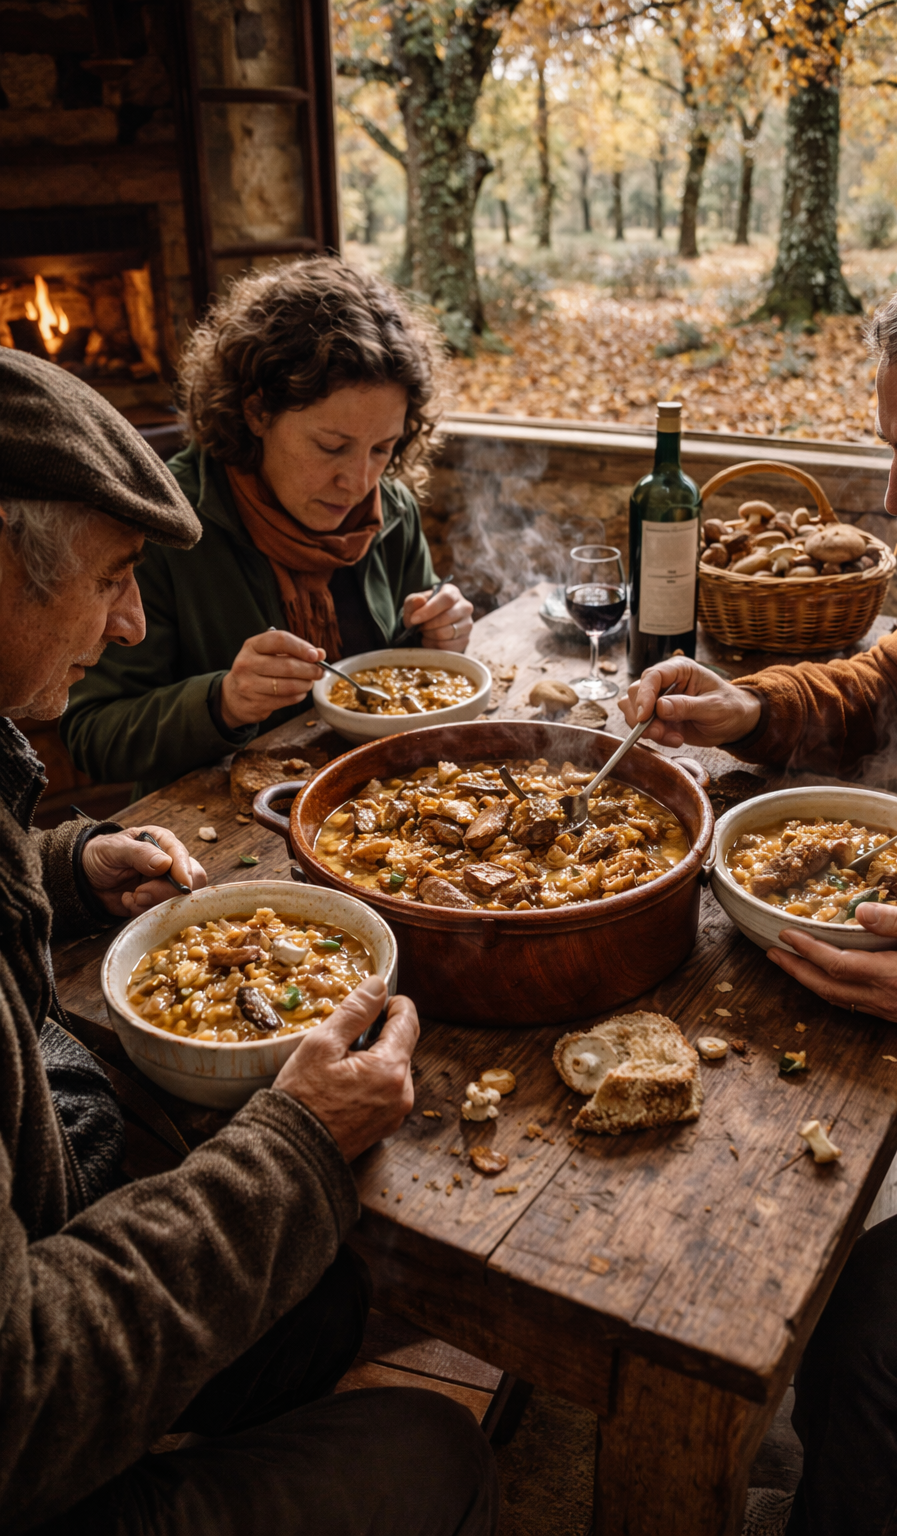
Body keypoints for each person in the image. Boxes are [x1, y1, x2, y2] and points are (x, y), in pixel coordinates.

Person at [0, 348, 498, 1535]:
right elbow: (20, 1404)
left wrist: (62, 864)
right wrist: (297, 1140)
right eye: (116, 577)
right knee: (435, 1442)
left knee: (321, 1304)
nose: (128, 619)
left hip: (58, 1190)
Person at [622, 224, 897, 1536]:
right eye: (895, 450)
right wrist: (747, 709)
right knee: (711, 1147)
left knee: (877, 1343)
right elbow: (885, 683)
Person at [61, 258, 475, 798]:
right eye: (332, 446)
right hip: (217, 828)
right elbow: (91, 733)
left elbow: (405, 672)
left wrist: (439, 636)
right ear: (257, 413)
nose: (358, 481)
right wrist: (224, 701)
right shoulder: (158, 526)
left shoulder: (390, 509)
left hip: (379, 800)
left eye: (383, 448)